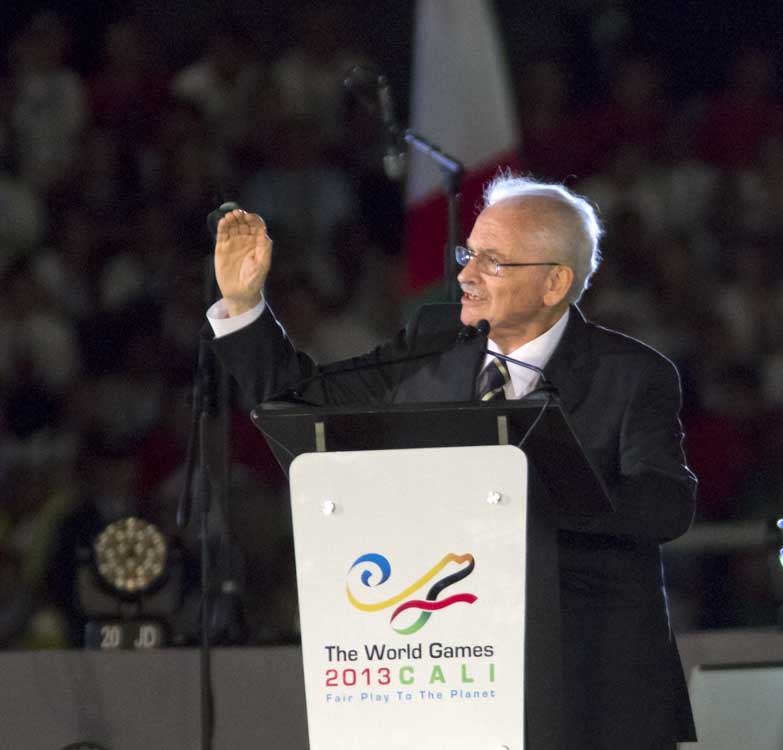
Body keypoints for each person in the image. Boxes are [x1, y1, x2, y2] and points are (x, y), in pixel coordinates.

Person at [205, 174, 698, 747]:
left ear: (554, 282)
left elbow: (665, 504)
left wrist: (526, 498)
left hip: (587, 682)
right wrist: (244, 304)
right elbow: (302, 404)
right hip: (444, 666)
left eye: (493, 261)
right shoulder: (434, 340)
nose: (465, 275)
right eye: (469, 255)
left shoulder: (632, 374)